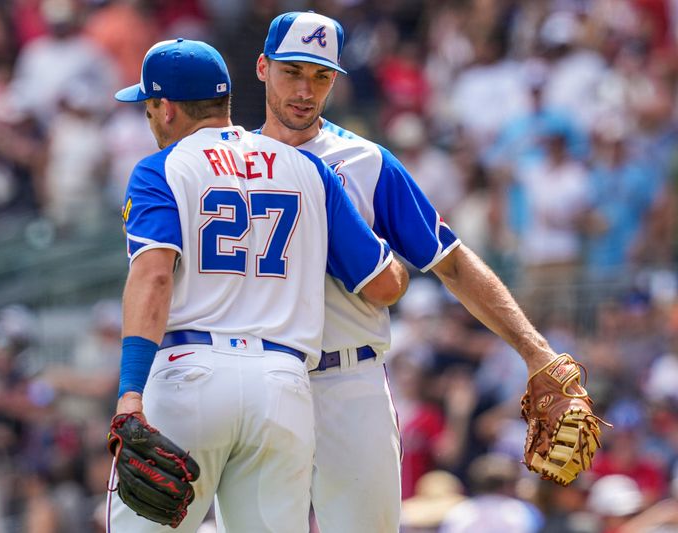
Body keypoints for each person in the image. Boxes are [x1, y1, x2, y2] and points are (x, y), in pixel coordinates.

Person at [244, 11, 575, 533]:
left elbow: (453, 263)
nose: (306, 89)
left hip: (346, 379)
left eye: (321, 75)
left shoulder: (366, 161)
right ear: (263, 68)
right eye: (293, 72)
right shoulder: (228, 162)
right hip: (256, 380)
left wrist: (537, 353)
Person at [106, 38, 409, 533]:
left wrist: (130, 394)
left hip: (188, 374)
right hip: (281, 384)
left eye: (147, 106)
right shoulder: (308, 168)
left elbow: (155, 275)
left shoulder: (161, 170)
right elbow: (382, 285)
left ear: (164, 109)